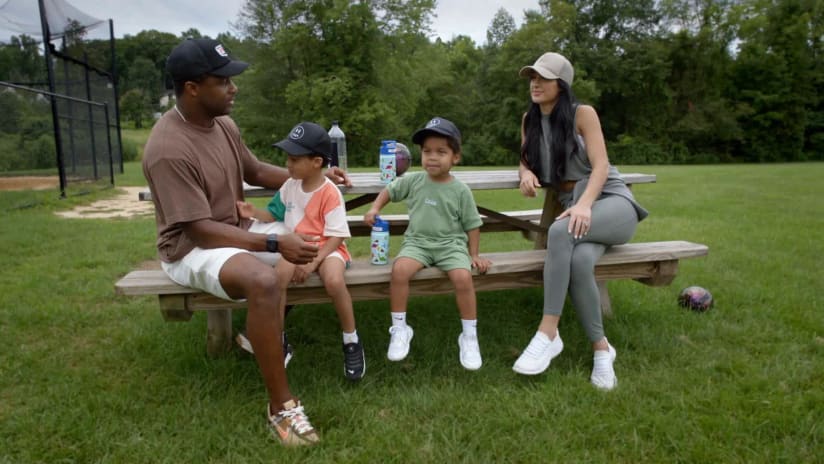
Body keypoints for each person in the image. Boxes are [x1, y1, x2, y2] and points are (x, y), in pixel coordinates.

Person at [142, 38, 349, 446]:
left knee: (314, 246)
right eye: (223, 80)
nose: (233, 87)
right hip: (190, 247)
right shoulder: (168, 149)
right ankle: (282, 408)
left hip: (232, 229)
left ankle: (265, 335)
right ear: (192, 88)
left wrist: (314, 179)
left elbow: (254, 170)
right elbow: (199, 230)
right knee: (264, 281)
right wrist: (274, 246)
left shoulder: (223, 124)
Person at [511, 52, 648, 390]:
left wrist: (585, 205)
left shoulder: (582, 114)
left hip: (611, 203)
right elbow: (525, 159)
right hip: (576, 207)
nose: (535, 82)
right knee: (581, 260)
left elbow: (601, 165)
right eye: (532, 76)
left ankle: (548, 331)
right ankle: (602, 350)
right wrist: (526, 172)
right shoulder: (529, 119)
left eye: (543, 77)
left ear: (562, 84)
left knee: (561, 230)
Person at [236, 121, 365, 382]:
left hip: (329, 248)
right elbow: (274, 212)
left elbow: (336, 235)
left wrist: (313, 262)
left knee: (334, 280)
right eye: (287, 158)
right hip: (296, 247)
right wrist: (253, 213)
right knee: (278, 279)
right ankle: (279, 340)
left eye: (294, 159)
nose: (288, 164)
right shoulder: (290, 186)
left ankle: (351, 340)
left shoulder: (329, 193)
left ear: (317, 162)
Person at [364, 117, 492, 370]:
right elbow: (391, 189)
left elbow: (472, 224)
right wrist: (375, 207)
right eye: (426, 151)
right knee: (399, 271)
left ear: (455, 157)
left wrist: (473, 254)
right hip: (418, 244)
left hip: (450, 245)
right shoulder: (414, 181)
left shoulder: (460, 190)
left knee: (463, 278)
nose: (432, 157)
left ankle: (468, 335)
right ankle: (400, 328)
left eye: (441, 152)